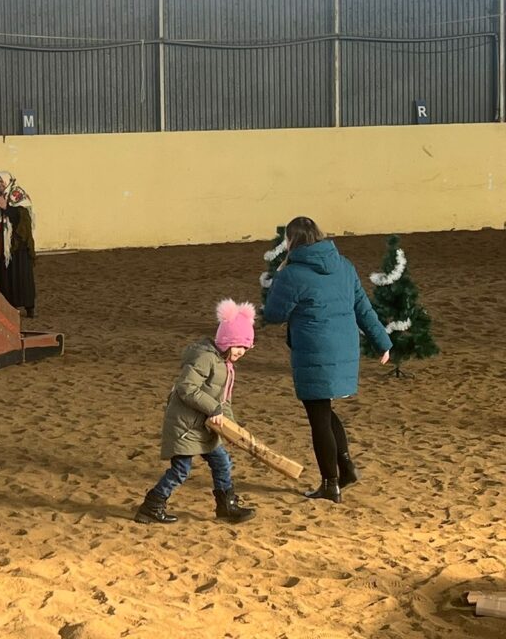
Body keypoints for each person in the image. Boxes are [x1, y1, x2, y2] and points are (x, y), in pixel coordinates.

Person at [263, 216, 392, 504]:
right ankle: (346, 468)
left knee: (318, 417)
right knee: (324, 410)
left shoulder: (292, 274)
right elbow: (363, 307)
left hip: (315, 350)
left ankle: (330, 483)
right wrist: (383, 342)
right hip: (344, 348)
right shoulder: (344, 266)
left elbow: (274, 314)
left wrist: (279, 278)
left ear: (292, 241)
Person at [134, 300, 258, 525]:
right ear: (226, 341)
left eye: (245, 347)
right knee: (181, 470)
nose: (242, 351)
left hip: (204, 428)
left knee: (222, 462)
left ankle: (226, 506)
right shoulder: (205, 358)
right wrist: (214, 409)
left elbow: (223, 401)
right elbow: (187, 388)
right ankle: (152, 505)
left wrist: (232, 429)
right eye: (238, 345)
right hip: (186, 427)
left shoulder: (225, 365)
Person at [0, 171, 36, 317]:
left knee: (20, 274)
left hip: (17, 244)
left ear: (8, 181)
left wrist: (6, 207)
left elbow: (24, 217)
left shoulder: (18, 194)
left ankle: (29, 307)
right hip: (1, 243)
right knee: (3, 274)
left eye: (1, 181)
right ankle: (7, 304)